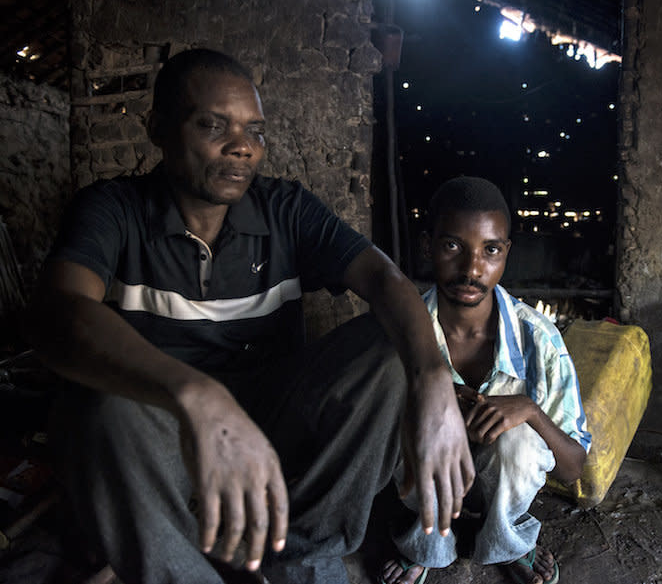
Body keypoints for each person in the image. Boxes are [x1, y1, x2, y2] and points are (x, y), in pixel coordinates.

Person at [24, 49, 475, 584]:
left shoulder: (284, 209)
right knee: (99, 410)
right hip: (170, 426)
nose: (241, 146)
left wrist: (432, 378)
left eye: (255, 132)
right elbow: (58, 315)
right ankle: (186, 568)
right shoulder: (114, 210)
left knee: (389, 354)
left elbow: (385, 281)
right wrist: (197, 395)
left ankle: (299, 552)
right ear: (158, 130)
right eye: (213, 125)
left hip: (271, 423)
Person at [379, 177, 591, 584]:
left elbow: (573, 468)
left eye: (490, 250)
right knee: (412, 413)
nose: (472, 268)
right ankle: (428, 541)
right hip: (424, 486)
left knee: (520, 434)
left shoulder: (538, 338)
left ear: (506, 253)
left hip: (502, 483)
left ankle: (507, 539)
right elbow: (370, 441)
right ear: (428, 246)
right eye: (452, 246)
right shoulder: (401, 331)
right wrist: (430, 399)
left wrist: (529, 411)